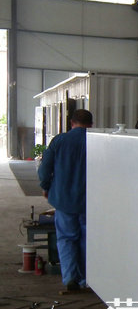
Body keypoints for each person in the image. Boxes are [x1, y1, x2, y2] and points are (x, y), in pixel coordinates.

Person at [38, 109, 93, 291]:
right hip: (90, 202)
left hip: (64, 200)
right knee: (87, 239)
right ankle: (87, 279)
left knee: (67, 238)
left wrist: (46, 187)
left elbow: (44, 169)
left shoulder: (59, 141)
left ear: (71, 123)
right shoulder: (97, 142)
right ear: (91, 125)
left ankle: (70, 278)